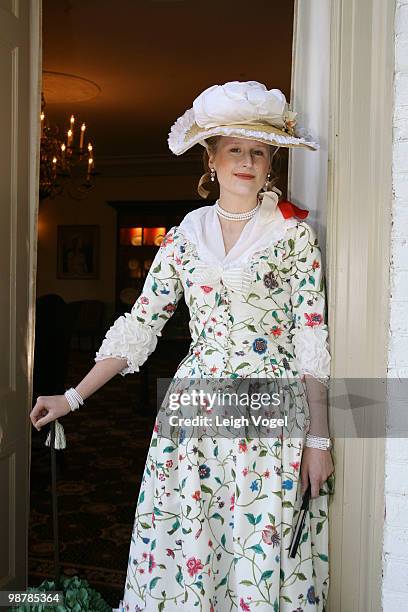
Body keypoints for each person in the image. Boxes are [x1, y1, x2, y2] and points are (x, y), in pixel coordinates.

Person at [30, 81, 334, 611]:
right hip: (194, 416)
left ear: (271, 164)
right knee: (193, 546)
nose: (247, 160)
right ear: (211, 159)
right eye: (234, 148)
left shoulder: (293, 235)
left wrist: (320, 440)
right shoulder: (181, 238)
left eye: (259, 151)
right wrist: (73, 397)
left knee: (254, 548)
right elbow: (140, 327)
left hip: (270, 415)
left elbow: (311, 337)